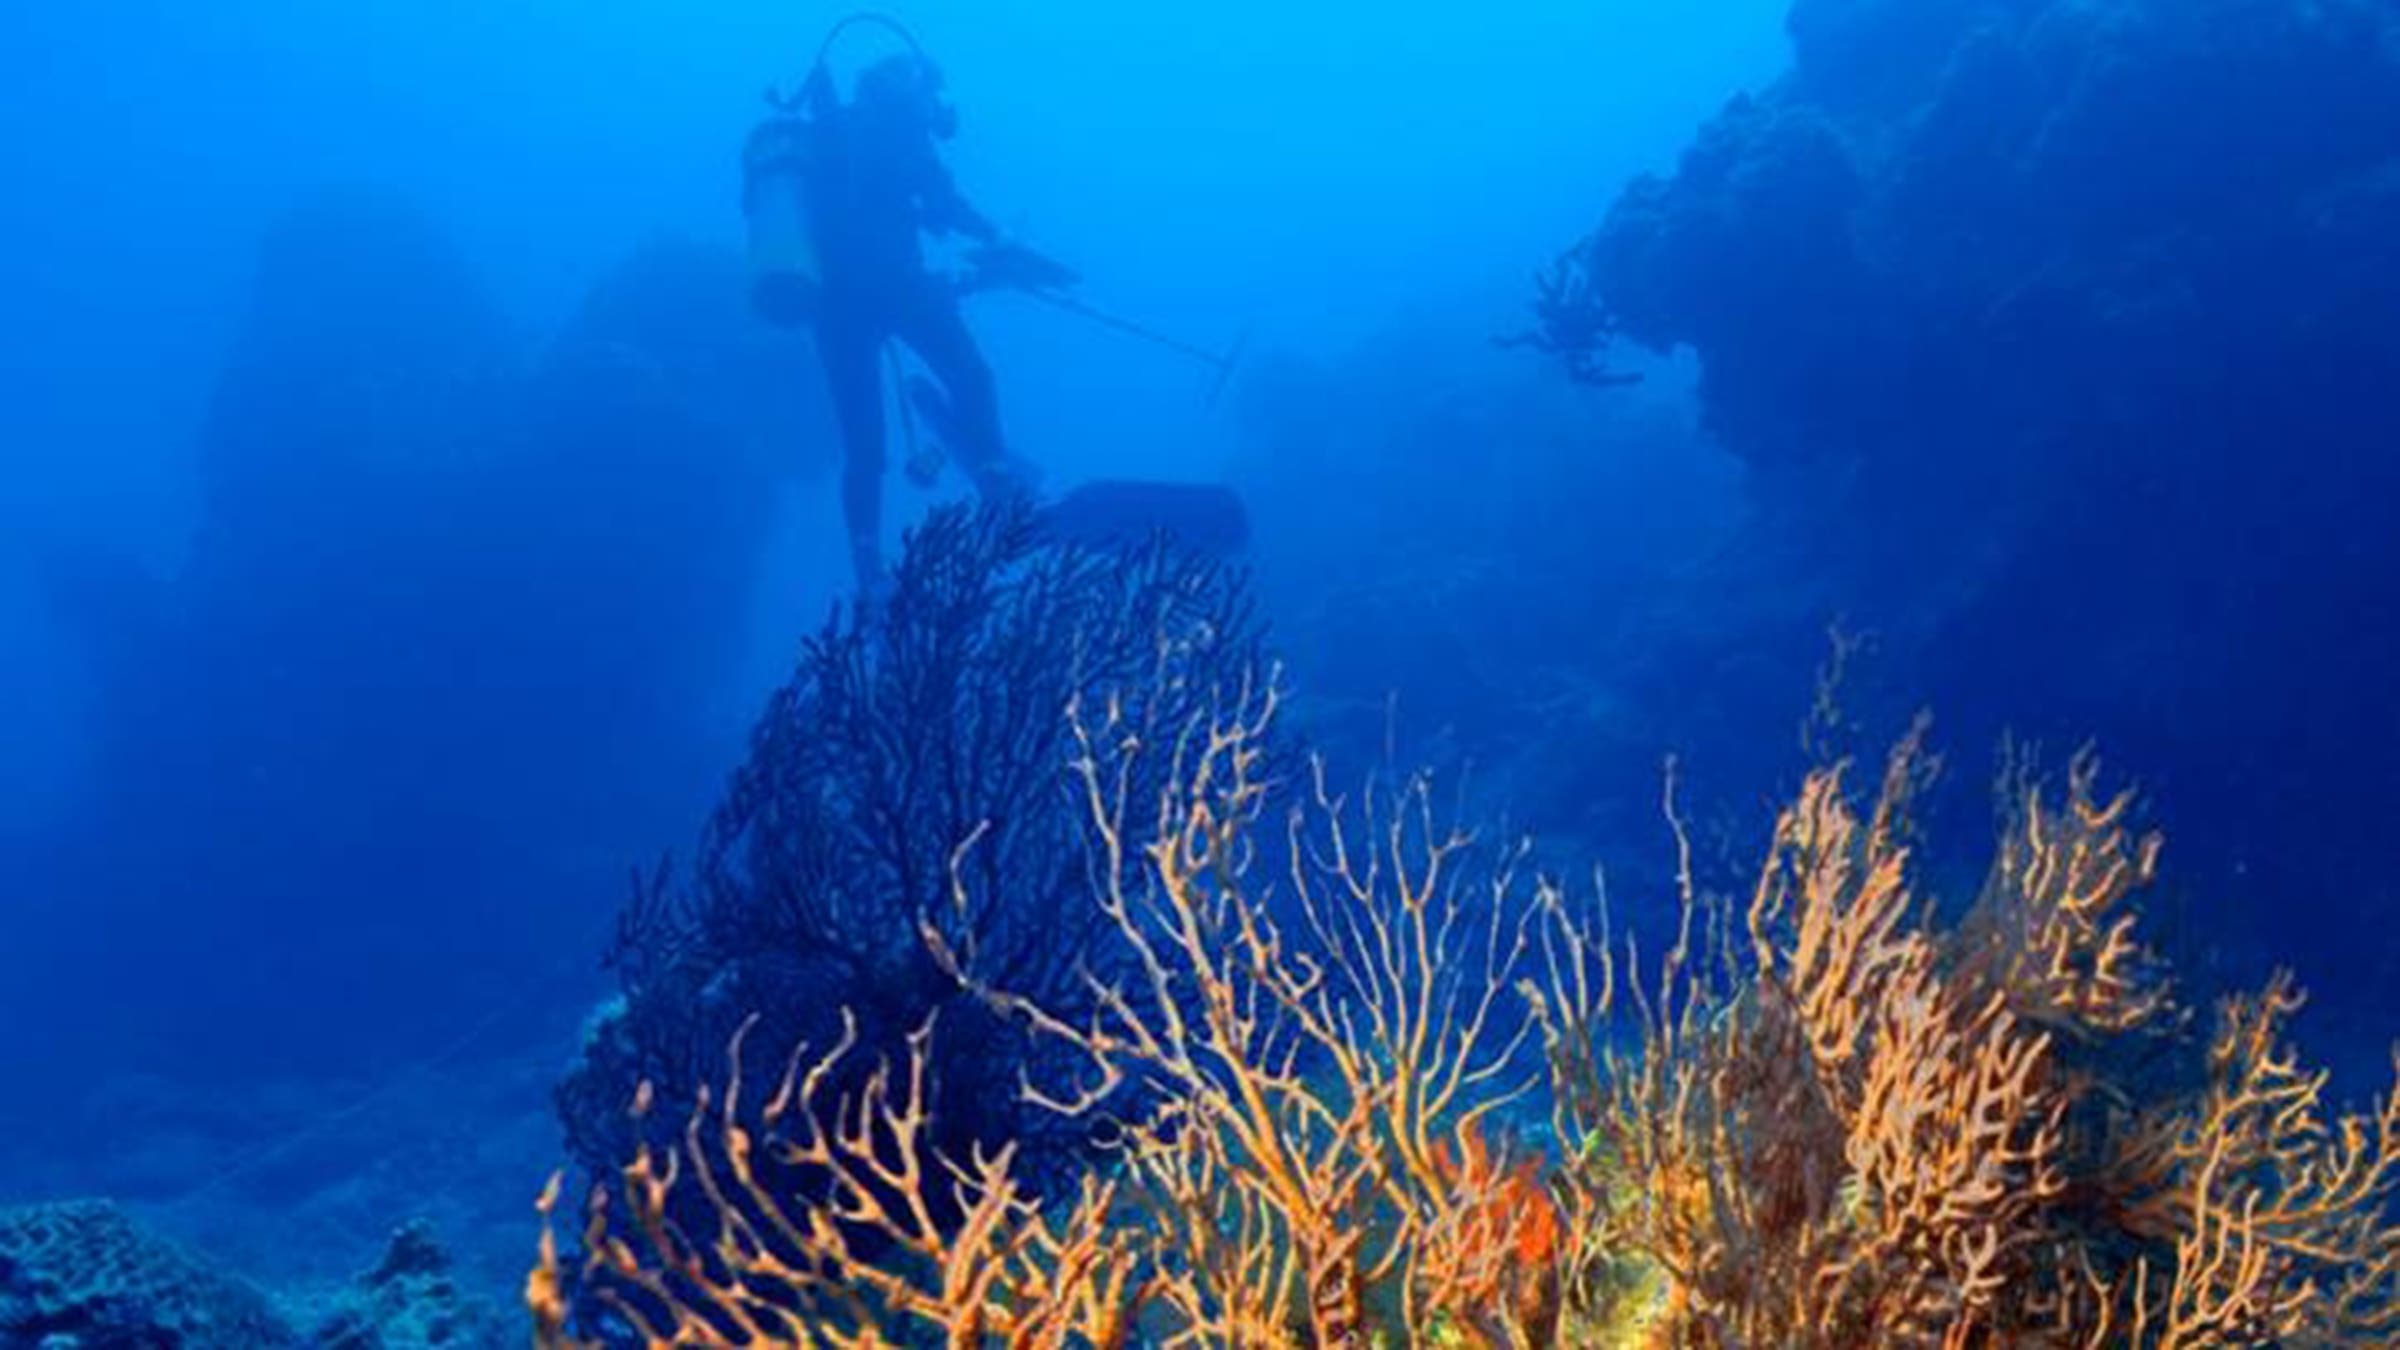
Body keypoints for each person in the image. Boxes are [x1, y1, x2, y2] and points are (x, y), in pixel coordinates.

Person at [794, 53, 1032, 603]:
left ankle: (866, 564)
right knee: (972, 375)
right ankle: (996, 481)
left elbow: (868, 204)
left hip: (833, 305)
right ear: (914, 88)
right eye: (933, 95)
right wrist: (997, 238)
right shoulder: (902, 125)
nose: (937, 109)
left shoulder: (834, 128)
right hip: (898, 286)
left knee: (864, 446)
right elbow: (944, 202)